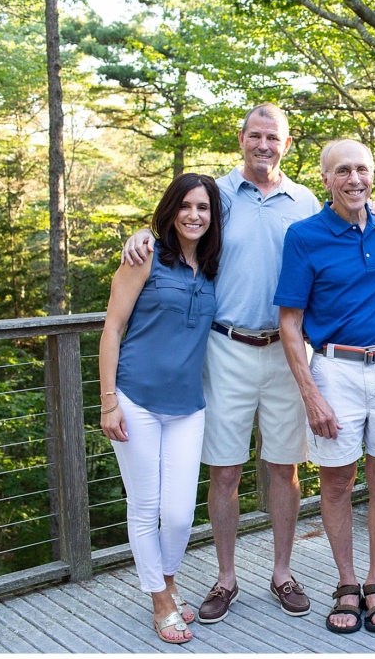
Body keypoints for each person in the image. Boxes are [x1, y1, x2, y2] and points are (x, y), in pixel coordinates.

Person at [121, 103, 321, 624]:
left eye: (272, 137)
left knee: (285, 466)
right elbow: (176, 230)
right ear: (241, 138)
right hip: (225, 347)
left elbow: (332, 259)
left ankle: (282, 572)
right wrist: (140, 235)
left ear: (287, 143)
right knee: (225, 471)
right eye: (255, 135)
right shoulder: (217, 196)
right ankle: (226, 578)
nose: (263, 145)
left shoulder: (305, 201)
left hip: (287, 350)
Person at [275, 138, 375, 635]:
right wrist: (311, 391)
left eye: (363, 169)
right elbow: (289, 324)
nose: (355, 179)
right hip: (334, 371)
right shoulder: (304, 236)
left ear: (373, 175)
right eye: (343, 171)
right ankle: (347, 581)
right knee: (336, 479)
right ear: (326, 179)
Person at [100, 173, 223, 644]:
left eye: (204, 208)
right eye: (186, 206)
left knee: (178, 515)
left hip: (189, 405)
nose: (194, 215)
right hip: (136, 399)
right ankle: (159, 598)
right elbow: (112, 328)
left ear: (213, 217)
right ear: (171, 209)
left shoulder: (212, 266)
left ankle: (168, 582)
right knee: (145, 505)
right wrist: (109, 401)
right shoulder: (145, 254)